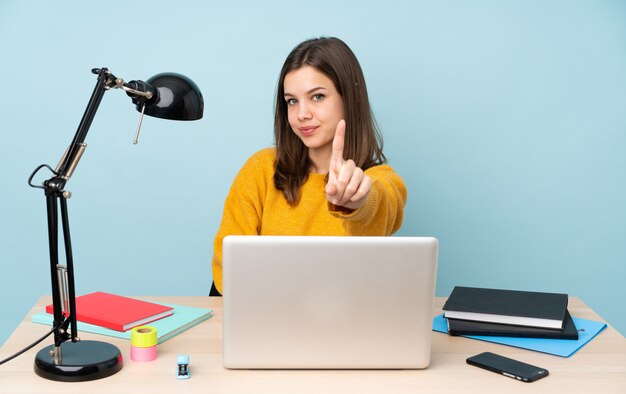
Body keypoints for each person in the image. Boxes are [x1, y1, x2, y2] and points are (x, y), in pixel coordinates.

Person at [210, 37, 407, 295]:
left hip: (342, 324)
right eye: (292, 101)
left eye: (317, 96)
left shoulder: (381, 180)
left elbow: (382, 204)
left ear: (349, 98)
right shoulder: (261, 169)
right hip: (264, 317)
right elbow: (228, 262)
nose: (302, 113)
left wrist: (357, 202)